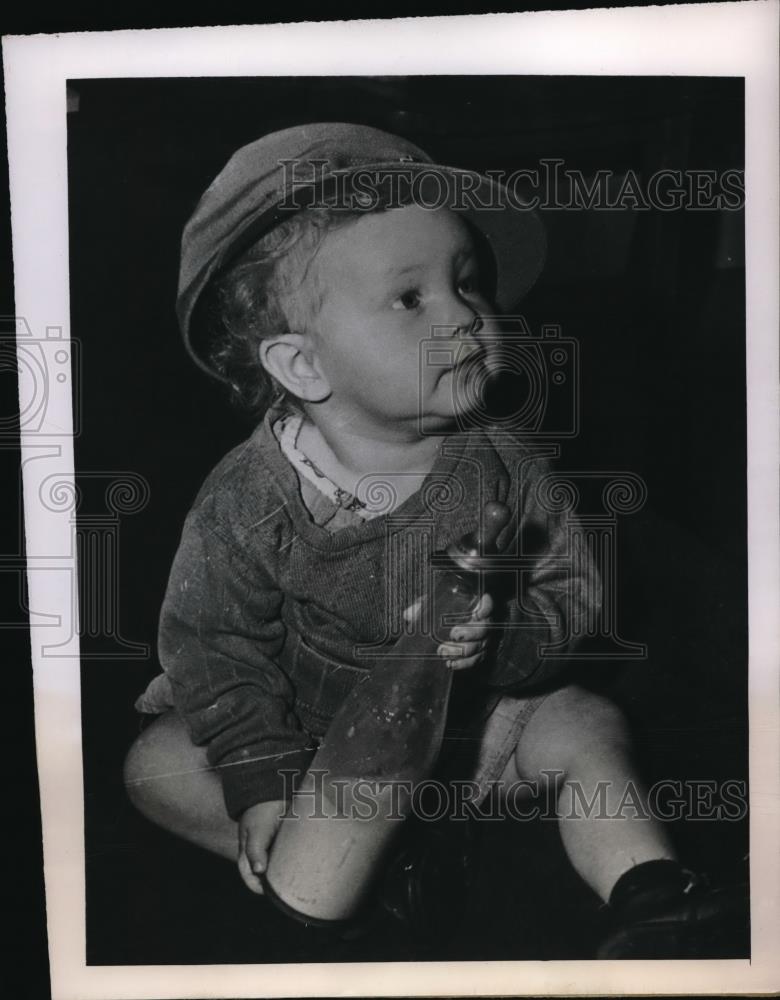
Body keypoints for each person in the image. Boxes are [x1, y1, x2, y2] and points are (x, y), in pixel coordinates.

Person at [124, 122, 743, 958]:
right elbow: (213, 644)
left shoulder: (505, 467)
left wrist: (515, 637)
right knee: (155, 766)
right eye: (410, 298)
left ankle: (654, 892)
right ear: (302, 367)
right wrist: (260, 782)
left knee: (583, 723)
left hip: (472, 732)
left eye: (469, 283)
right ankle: (382, 869)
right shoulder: (246, 497)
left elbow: (575, 590)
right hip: (308, 741)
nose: (467, 314)